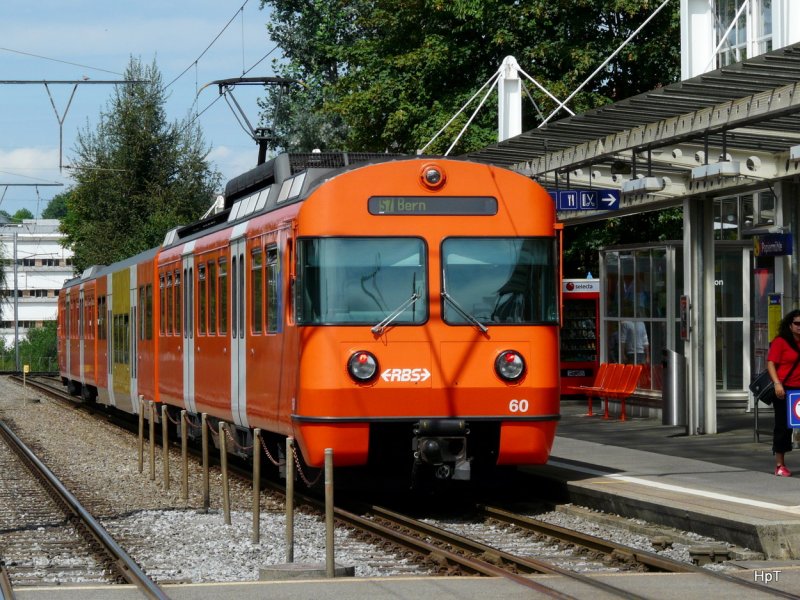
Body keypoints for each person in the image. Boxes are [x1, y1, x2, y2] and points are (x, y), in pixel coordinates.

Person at [766, 309, 800, 477]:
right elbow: (771, 363)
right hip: (784, 390)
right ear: (790, 325)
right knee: (783, 427)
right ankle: (780, 464)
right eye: (797, 323)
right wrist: (777, 383)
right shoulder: (781, 342)